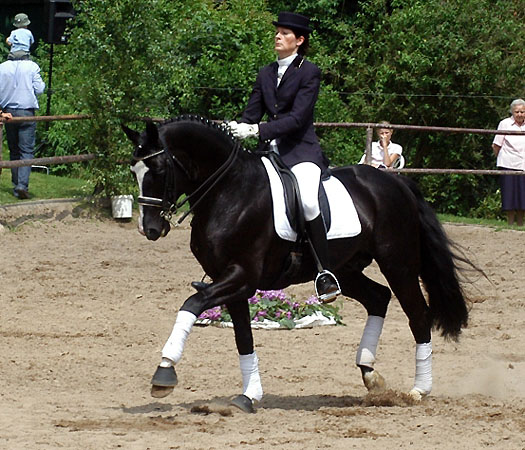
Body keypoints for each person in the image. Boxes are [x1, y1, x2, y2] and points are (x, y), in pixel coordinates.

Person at [228, 11, 340, 302]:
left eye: (285, 33)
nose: (278, 36)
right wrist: (236, 128)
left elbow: (298, 119)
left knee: (307, 200)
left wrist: (256, 129)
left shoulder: (309, 72)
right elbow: (251, 113)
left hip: (301, 151)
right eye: (277, 32)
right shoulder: (265, 72)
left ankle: (324, 272)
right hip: (269, 153)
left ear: (299, 40)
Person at [0, 57, 45, 199]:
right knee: (26, 150)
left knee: (14, 149)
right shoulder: (32, 66)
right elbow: (40, 89)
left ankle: (15, 185)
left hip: (8, 111)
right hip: (26, 111)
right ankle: (22, 185)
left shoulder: (3, 67)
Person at [492, 98, 525, 226]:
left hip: (523, 165)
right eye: (517, 112)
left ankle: (521, 224)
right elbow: (496, 145)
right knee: (509, 196)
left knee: (523, 197)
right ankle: (510, 224)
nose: (520, 114)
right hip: (508, 164)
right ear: (512, 112)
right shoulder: (504, 124)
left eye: (522, 112)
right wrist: (501, 159)